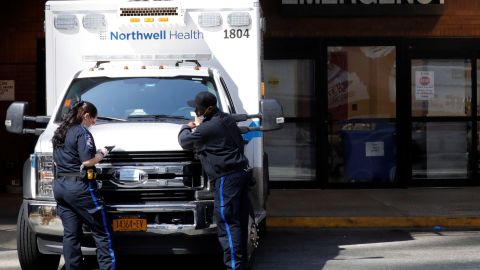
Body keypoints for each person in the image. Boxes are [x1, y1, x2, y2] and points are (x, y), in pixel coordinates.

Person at [178, 91, 251, 270]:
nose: (196, 111)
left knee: (227, 222)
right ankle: (240, 264)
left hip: (227, 178)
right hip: (241, 173)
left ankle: (234, 266)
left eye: (198, 109)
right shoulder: (225, 119)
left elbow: (185, 142)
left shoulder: (207, 127)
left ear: (209, 109)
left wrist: (185, 127)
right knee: (237, 222)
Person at [52, 101, 116, 270]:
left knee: (71, 234)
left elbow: (56, 161)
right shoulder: (82, 132)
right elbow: (87, 161)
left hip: (60, 186)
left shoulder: (59, 131)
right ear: (86, 116)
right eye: (94, 119)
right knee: (102, 231)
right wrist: (102, 153)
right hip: (79, 187)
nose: (94, 122)